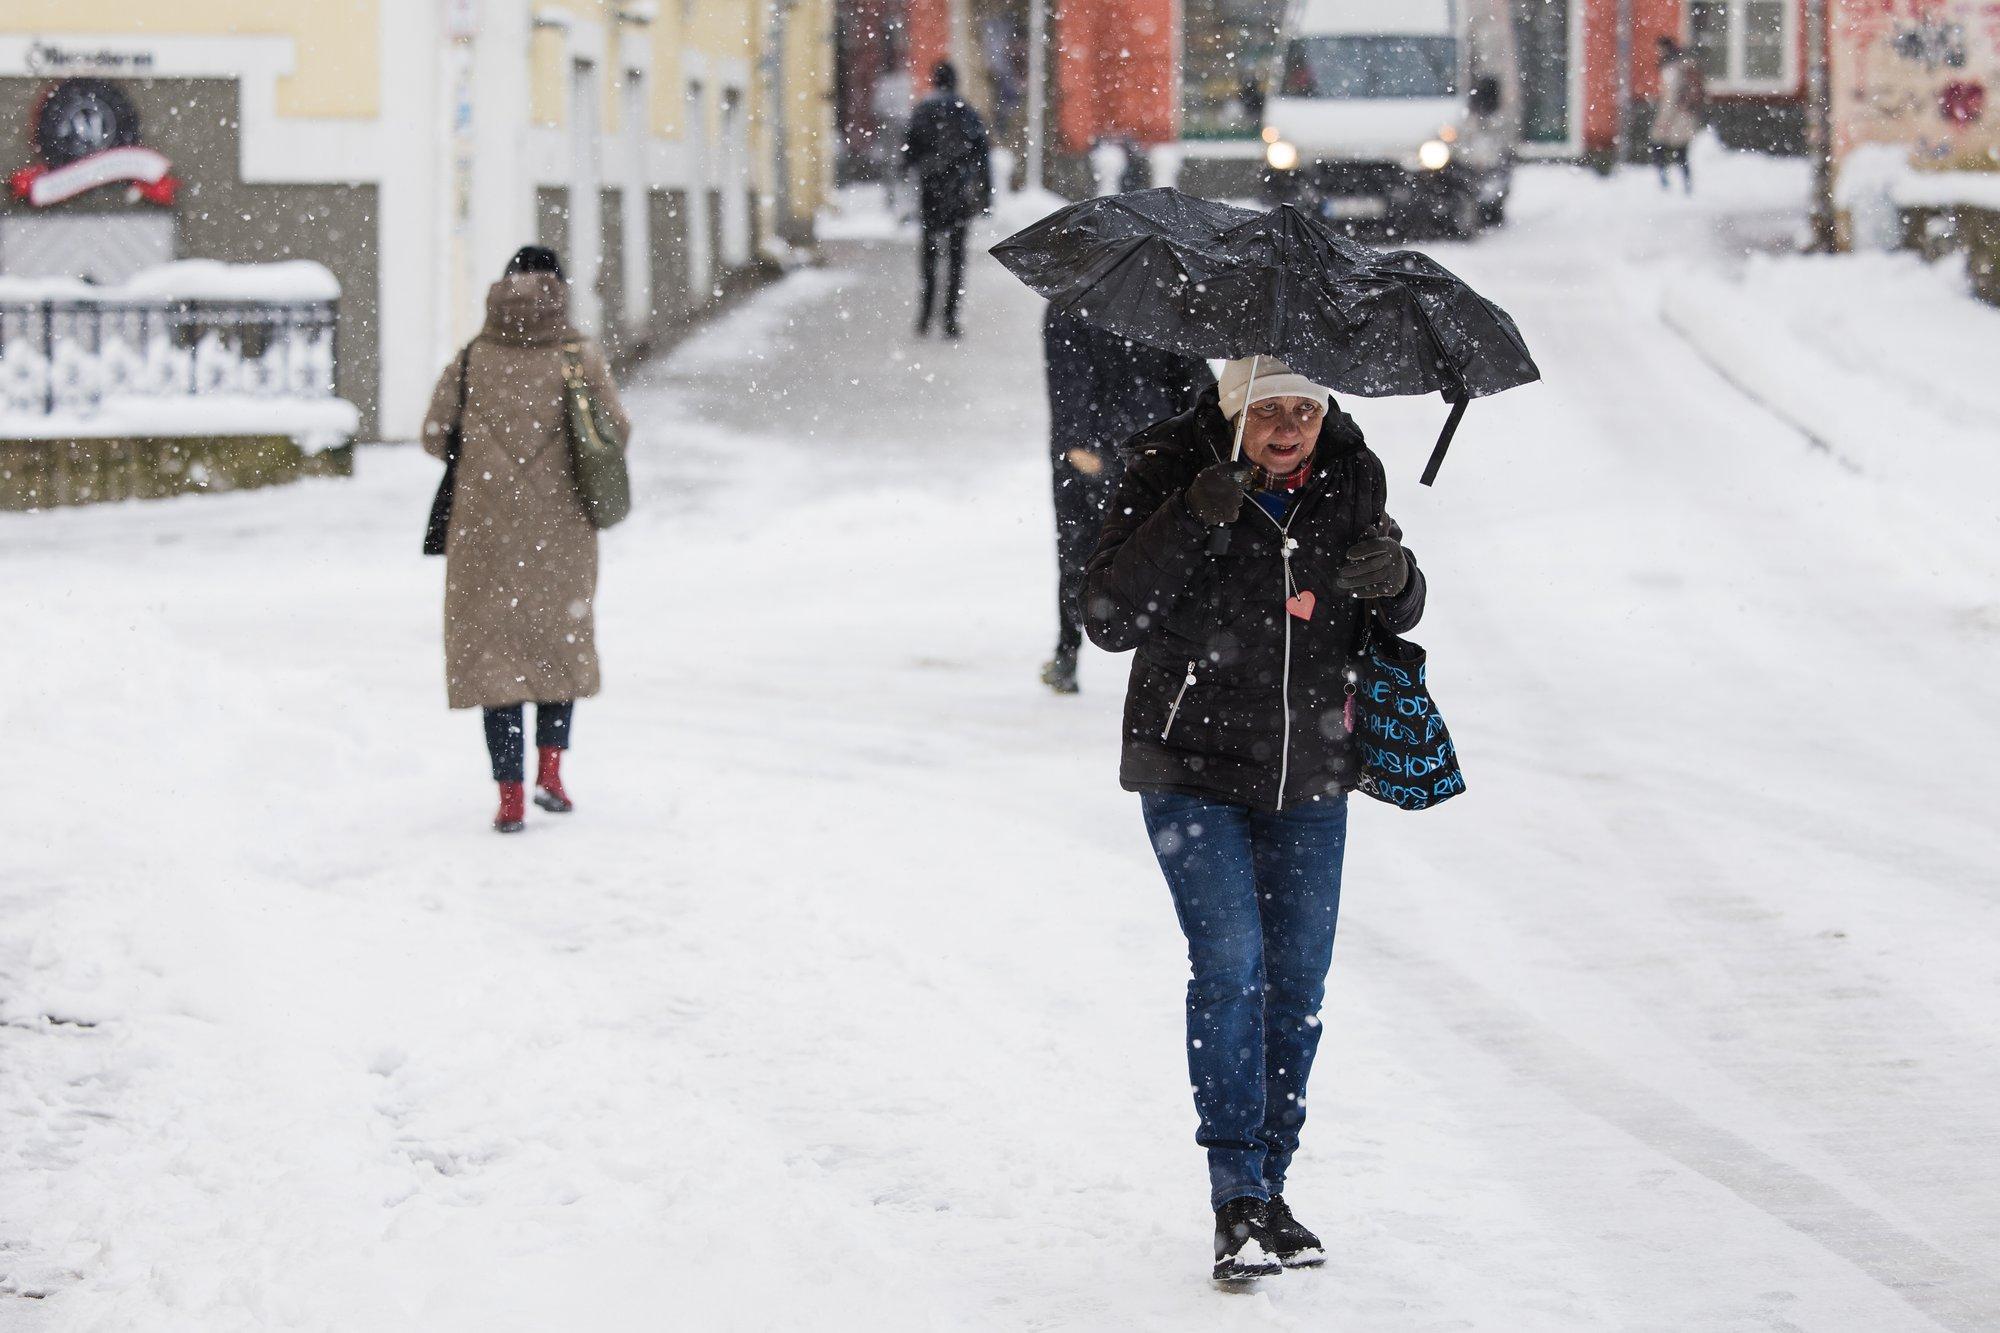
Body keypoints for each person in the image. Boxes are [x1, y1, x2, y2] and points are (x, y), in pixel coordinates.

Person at [1083, 355, 1428, 1284]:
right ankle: (1234, 1187)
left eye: (1303, 411)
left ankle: (1271, 1189)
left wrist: (1397, 578)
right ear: (1234, 410)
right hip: (1189, 766)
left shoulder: (1353, 474)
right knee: (1232, 967)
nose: (1287, 429)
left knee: (1299, 982)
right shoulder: (1168, 466)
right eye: (1268, 410)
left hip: (1309, 770)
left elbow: (1392, 607)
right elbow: (1109, 616)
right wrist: (1194, 515)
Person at [421, 245, 631, 833]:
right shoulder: (575, 356)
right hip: (560, 530)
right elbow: (614, 431)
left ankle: (509, 796)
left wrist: (487, 452)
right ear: (558, 289)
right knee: (554, 648)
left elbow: (434, 435)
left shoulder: (472, 358)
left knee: (497, 662)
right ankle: (552, 774)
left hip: (482, 533)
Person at [1041, 309, 1211, 694]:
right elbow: (1194, 384)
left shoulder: (1074, 302)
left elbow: (1066, 378)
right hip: (1148, 448)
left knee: (1083, 555)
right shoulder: (1165, 301)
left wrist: (1076, 440)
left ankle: (1069, 653)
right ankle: (1072, 653)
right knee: (1154, 556)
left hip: (1121, 452)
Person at [901, 60, 993, 339]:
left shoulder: (923, 111)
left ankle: (925, 316)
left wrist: (916, 172)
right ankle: (950, 318)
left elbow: (908, 153)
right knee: (956, 258)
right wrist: (985, 195)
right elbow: (982, 157)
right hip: (959, 195)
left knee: (929, 257)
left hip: (932, 193)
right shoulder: (967, 113)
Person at [1650, 37, 1705, 194]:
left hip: (1676, 117)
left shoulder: (1671, 69)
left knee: (1659, 145)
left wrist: (1664, 120)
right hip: (1687, 115)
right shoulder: (1684, 64)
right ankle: (1685, 184)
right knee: (1681, 151)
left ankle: (1665, 182)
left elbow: (1671, 97)